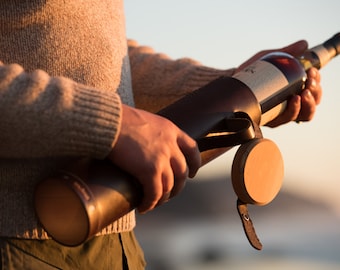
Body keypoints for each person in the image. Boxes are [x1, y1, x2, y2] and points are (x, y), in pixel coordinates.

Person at [0, 1, 322, 269]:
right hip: (17, 242)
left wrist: (236, 87)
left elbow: (101, 50)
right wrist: (114, 125)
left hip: (117, 241)